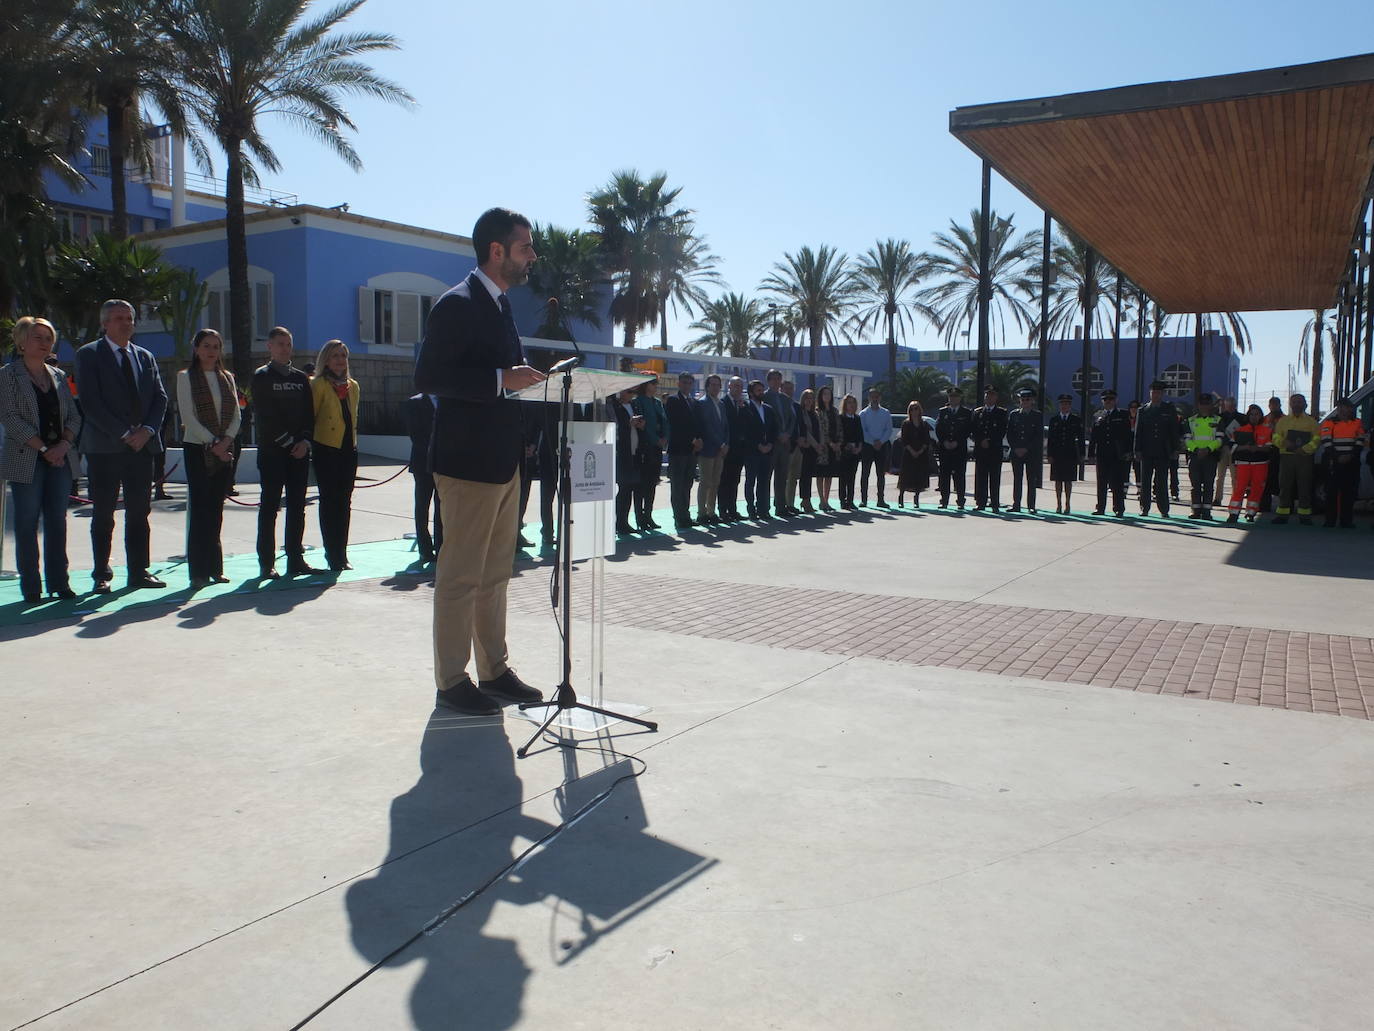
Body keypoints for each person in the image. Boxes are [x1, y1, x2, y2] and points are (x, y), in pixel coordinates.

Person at [413, 206, 546, 715]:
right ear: (497, 251)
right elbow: (429, 378)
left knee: (494, 576)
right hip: (467, 465)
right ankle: (452, 680)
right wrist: (500, 380)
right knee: (460, 576)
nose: (532, 255)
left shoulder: (501, 306)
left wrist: (519, 384)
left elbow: (501, 378)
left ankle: (493, 670)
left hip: (504, 462)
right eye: (525, 246)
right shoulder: (457, 304)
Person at [74, 298, 168, 593]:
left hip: (142, 449)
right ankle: (101, 572)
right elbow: (90, 401)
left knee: (140, 512)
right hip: (105, 448)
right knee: (103, 513)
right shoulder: (88, 355)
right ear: (104, 324)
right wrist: (124, 432)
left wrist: (148, 431)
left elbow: (160, 398)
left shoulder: (145, 356)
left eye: (128, 318)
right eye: (117, 318)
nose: (125, 323)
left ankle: (139, 570)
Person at [0, 317, 81, 602]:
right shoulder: (7, 375)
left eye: (48, 338)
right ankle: (31, 587)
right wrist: (44, 449)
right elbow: (10, 418)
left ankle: (60, 582)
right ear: (22, 342)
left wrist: (62, 445)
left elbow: (73, 414)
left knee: (57, 522)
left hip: (60, 458)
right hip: (27, 458)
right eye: (37, 337)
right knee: (26, 523)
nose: (44, 343)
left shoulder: (59, 375)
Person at [252, 326, 319, 578]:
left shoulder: (301, 378)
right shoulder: (262, 376)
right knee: (269, 508)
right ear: (269, 346)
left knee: (297, 507)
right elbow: (265, 417)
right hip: (272, 453)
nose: (284, 348)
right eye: (279, 344)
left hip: (299, 454)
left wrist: (303, 442)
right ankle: (267, 563)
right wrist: (289, 443)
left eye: (288, 344)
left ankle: (295, 559)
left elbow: (308, 415)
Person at [175, 329, 239, 588]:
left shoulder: (227, 378)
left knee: (215, 511)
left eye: (215, 346)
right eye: (206, 346)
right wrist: (213, 443)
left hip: (223, 451)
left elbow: (236, 415)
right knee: (200, 512)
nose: (211, 351)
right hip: (197, 449)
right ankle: (198, 572)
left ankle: (215, 568)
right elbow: (188, 417)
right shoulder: (185, 377)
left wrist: (225, 442)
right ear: (196, 349)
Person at [310, 340, 360, 570]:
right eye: (335, 356)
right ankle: (332, 554)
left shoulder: (353, 386)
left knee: (345, 502)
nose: (340, 360)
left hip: (349, 450)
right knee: (329, 502)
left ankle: (343, 553)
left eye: (343, 355)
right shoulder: (318, 384)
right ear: (326, 360)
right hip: (326, 449)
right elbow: (311, 417)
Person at [1272, 392, 1320, 525]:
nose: (1297, 404)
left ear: (1305, 404)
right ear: (1290, 404)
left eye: (1300, 402)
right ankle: (1282, 515)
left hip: (1304, 457)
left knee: (1304, 486)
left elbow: (1316, 439)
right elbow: (1275, 437)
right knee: (1284, 486)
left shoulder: (1312, 422)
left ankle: (1304, 516)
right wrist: (1283, 442)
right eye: (1294, 402)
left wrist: (1305, 449)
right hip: (1286, 457)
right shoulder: (1283, 421)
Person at [1134, 380, 1180, 518]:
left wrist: (1175, 449)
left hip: (1163, 451)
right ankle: (1144, 508)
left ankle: (1164, 509)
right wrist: (1137, 450)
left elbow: (1174, 431)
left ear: (1162, 394)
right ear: (1150, 393)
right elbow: (1138, 432)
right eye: (1154, 392)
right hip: (1146, 451)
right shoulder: (1143, 410)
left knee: (1161, 482)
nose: (1156, 395)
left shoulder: (1169, 409)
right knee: (1145, 482)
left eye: (1159, 392)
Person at [406, 392, 442, 563]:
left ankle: (441, 546)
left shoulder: (447, 401)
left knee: (442, 508)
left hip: (443, 465)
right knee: (422, 507)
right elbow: (415, 435)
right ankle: (425, 549)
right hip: (422, 464)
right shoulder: (415, 402)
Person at [1320, 397, 1366, 528]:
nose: (1342, 410)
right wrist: (1337, 456)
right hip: (1334, 462)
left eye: (1345, 407)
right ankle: (1330, 521)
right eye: (1340, 407)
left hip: (1351, 462)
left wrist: (1350, 455)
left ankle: (1346, 521)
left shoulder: (1357, 422)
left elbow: (1360, 440)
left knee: (1349, 493)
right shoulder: (1329, 422)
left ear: (1351, 409)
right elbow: (1326, 441)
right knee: (1331, 492)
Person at [664, 371, 702, 530]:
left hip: (692, 451)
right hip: (678, 449)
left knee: (687, 484)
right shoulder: (673, 400)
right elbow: (676, 424)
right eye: (684, 382)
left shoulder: (694, 402)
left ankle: (686, 514)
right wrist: (691, 439)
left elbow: (698, 423)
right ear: (679, 384)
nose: (687, 385)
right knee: (677, 485)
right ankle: (679, 517)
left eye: (689, 383)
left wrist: (699, 439)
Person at [1226, 405, 1275, 523]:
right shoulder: (1240, 430)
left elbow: (1270, 448)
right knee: (1239, 488)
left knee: (1257, 488)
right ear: (1248, 416)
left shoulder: (1267, 430)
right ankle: (1233, 513)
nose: (1254, 417)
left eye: (1257, 414)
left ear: (1261, 416)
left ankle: (1251, 513)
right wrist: (1244, 447)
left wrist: (1257, 448)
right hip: (1243, 463)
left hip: (1260, 463)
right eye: (1252, 414)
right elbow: (1231, 446)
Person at [1089, 388, 1133, 517]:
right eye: (1105, 399)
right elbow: (1093, 437)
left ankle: (1118, 508)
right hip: (1102, 454)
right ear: (1102, 401)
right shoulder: (1097, 415)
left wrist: (1129, 451)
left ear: (1116, 400)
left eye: (1111, 399)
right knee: (1101, 482)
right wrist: (1091, 454)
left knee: (1117, 483)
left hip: (1117, 454)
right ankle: (1100, 507)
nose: (1108, 401)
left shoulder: (1123, 414)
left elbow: (1127, 435)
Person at [632, 377, 667, 530]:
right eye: (653, 383)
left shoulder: (658, 402)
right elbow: (642, 425)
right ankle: (640, 518)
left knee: (652, 483)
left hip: (658, 447)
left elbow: (665, 422)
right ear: (645, 385)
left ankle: (648, 516)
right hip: (645, 447)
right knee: (641, 485)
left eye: (656, 383)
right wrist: (655, 439)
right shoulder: (638, 401)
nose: (655, 386)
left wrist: (665, 438)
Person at [694, 374, 730, 525]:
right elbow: (707, 427)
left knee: (715, 482)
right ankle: (702, 513)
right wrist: (720, 444)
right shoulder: (703, 403)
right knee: (705, 482)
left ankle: (711, 511)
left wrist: (726, 443)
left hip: (720, 451)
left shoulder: (721, 404)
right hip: (708, 449)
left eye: (718, 384)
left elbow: (726, 426)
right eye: (713, 384)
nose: (715, 387)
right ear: (707, 386)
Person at [1182, 392, 1224, 520]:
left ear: (1211, 405)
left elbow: (1220, 439)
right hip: (1195, 456)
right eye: (1202, 404)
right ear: (1198, 405)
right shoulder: (1191, 420)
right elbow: (1187, 439)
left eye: (1207, 404)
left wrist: (1208, 449)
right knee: (1195, 485)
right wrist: (1196, 449)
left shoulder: (1217, 420)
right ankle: (1195, 510)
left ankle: (1206, 511)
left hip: (1210, 456)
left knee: (1208, 484)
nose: (1205, 406)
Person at [741, 379, 778, 519]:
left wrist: (770, 445)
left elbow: (774, 429)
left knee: (764, 481)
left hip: (767, 452)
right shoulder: (745, 407)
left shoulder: (768, 409)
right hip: (752, 452)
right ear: (751, 392)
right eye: (758, 390)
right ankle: (751, 509)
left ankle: (763, 509)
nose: (761, 393)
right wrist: (758, 445)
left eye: (762, 390)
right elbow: (745, 430)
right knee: (751, 481)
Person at [608, 388, 642, 535]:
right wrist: (629, 424)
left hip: (634, 452)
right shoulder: (614, 406)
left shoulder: (634, 406)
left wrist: (640, 424)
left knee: (629, 490)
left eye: (633, 392)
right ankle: (618, 522)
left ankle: (624, 522)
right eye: (628, 392)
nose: (631, 395)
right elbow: (613, 428)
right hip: (621, 453)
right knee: (623, 489)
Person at [764, 369, 797, 516]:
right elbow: (765, 420)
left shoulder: (786, 398)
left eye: (779, 379)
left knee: (782, 476)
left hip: (785, 443)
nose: (776, 382)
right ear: (769, 381)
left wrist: (788, 434)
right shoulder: (764, 397)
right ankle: (764, 508)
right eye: (773, 379)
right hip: (772, 442)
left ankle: (781, 507)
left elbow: (792, 419)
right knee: (766, 476)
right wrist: (777, 435)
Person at [1006, 387, 1043, 514]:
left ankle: (1031, 505)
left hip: (1030, 453)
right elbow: (1010, 434)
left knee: (1031, 479)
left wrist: (1026, 448)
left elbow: (1038, 436)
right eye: (1022, 399)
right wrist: (1016, 448)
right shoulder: (1014, 414)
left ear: (1032, 400)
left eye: (1027, 399)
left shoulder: (1037, 415)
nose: (1025, 402)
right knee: (1017, 479)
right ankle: (1016, 504)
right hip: (1016, 452)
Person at [971, 386, 1008, 511]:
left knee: (994, 478)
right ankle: (981, 502)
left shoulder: (1002, 413)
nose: (989, 398)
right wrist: (980, 441)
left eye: (992, 395)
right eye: (987, 395)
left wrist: (990, 441)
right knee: (981, 477)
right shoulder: (977, 412)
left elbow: (1002, 431)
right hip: (981, 450)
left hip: (994, 450)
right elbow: (973, 430)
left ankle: (995, 503)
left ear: (996, 397)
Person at [935, 386, 972, 509]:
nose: (953, 399)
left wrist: (957, 441)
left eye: (955, 397)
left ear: (960, 398)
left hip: (959, 449)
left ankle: (960, 501)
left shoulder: (966, 412)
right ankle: (944, 500)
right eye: (951, 396)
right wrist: (944, 441)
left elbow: (967, 430)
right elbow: (938, 428)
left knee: (959, 476)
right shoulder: (943, 411)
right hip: (945, 449)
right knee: (944, 476)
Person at [717, 376, 748, 522]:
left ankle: (732, 510)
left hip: (739, 449)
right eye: (735, 386)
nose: (738, 389)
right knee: (724, 480)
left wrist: (743, 408)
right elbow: (723, 425)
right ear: (729, 387)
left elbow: (746, 423)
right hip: (727, 448)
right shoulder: (723, 403)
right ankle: (723, 511)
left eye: (740, 386)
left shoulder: (743, 404)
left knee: (735, 480)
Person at [1046, 393, 1082, 514]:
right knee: (1057, 480)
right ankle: (1059, 503)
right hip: (1057, 455)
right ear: (1059, 405)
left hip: (1070, 454)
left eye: (1067, 403)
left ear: (1070, 405)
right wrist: (1049, 454)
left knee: (1068, 480)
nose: (1064, 406)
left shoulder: (1075, 420)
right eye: (1062, 403)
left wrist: (1081, 454)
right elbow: (1050, 439)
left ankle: (1067, 503)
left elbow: (1080, 438)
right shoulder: (1054, 420)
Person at [858, 387, 892, 508]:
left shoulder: (886, 413)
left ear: (880, 398)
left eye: (877, 396)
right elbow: (863, 431)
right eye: (872, 396)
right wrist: (873, 442)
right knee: (865, 473)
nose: (875, 398)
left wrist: (881, 442)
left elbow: (888, 430)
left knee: (881, 474)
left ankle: (881, 500)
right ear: (869, 398)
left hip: (882, 446)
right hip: (868, 446)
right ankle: (864, 500)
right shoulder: (863, 414)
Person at [896, 400, 932, 508]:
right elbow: (904, 439)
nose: (914, 411)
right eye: (912, 409)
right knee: (905, 476)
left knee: (919, 476)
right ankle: (901, 498)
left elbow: (927, 439)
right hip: (909, 454)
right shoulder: (906, 424)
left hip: (921, 454)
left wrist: (920, 451)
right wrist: (912, 451)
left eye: (916, 408)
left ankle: (916, 499)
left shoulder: (924, 424)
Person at [1212, 396, 1242, 508]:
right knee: (1220, 476)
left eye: (1232, 405)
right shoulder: (1219, 417)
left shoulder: (1241, 418)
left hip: (1236, 449)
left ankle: (1235, 500)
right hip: (1223, 448)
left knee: (1235, 477)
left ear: (1235, 405)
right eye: (1228, 405)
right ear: (1225, 405)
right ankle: (1217, 499)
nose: (1230, 407)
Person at [814, 384, 840, 512]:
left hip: (834, 447)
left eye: (829, 394)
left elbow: (839, 428)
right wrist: (829, 443)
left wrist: (838, 443)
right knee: (821, 474)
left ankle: (827, 500)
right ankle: (821, 501)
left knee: (829, 475)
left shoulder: (835, 411)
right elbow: (822, 430)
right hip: (823, 446)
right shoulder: (818, 411)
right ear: (820, 396)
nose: (827, 396)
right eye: (824, 394)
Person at [794, 388, 821, 513]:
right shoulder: (801, 413)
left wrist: (821, 444)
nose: (809, 401)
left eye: (811, 399)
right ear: (803, 399)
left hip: (815, 449)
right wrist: (815, 445)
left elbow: (818, 430)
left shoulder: (815, 413)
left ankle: (807, 499)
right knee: (804, 476)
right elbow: (806, 431)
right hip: (806, 447)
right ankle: (805, 500)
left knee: (809, 475)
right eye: (807, 398)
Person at [837, 393, 863, 509]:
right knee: (843, 477)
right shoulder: (841, 418)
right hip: (844, 451)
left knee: (852, 477)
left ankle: (850, 500)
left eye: (853, 403)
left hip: (855, 452)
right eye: (849, 403)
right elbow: (839, 434)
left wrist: (859, 447)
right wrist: (846, 445)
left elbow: (860, 435)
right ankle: (843, 500)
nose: (851, 405)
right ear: (845, 404)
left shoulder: (857, 418)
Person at [781, 379, 803, 511]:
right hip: (785, 445)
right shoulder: (780, 405)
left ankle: (790, 504)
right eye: (786, 388)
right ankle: (781, 504)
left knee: (793, 478)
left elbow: (800, 424)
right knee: (783, 477)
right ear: (781, 389)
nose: (789, 391)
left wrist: (801, 438)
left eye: (791, 388)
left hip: (798, 447)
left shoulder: (796, 406)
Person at [1127, 399, 1142, 494]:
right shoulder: (1126, 419)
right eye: (1131, 407)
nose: (1133, 409)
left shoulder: (1140, 419)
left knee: (1138, 470)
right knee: (1125, 470)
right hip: (1127, 448)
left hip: (1137, 448)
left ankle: (1140, 489)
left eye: (1135, 407)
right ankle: (1124, 489)